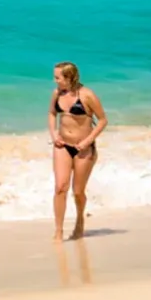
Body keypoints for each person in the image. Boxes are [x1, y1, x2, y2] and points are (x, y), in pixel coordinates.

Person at [51, 60, 106, 242]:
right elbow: (52, 114)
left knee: (77, 191)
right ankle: (58, 231)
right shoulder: (57, 93)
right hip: (62, 146)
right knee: (60, 187)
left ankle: (80, 221)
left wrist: (88, 140)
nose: (55, 80)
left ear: (69, 78)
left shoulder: (87, 95)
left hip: (84, 148)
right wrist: (54, 134)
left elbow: (103, 120)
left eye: (58, 77)